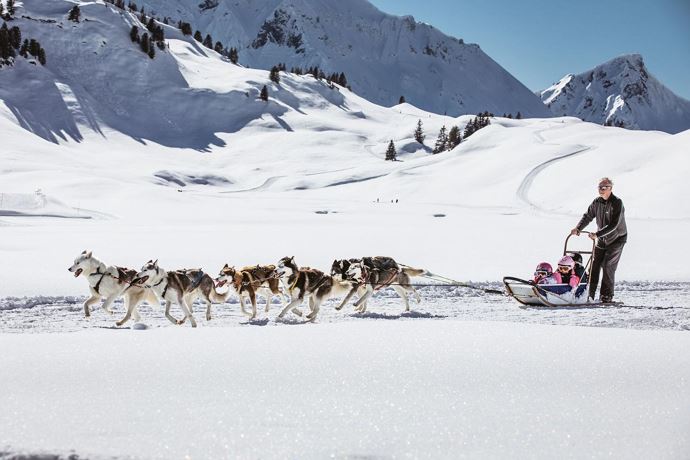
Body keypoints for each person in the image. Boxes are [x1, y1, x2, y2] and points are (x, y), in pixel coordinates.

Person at [570, 177, 627, 303]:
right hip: (602, 239)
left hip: (616, 239)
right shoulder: (597, 202)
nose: (601, 190)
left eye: (604, 187)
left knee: (608, 266)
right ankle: (588, 295)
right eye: (599, 187)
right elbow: (588, 216)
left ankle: (606, 296)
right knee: (594, 266)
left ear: (610, 188)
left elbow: (614, 225)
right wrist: (578, 228)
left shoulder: (617, 203)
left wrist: (597, 234)